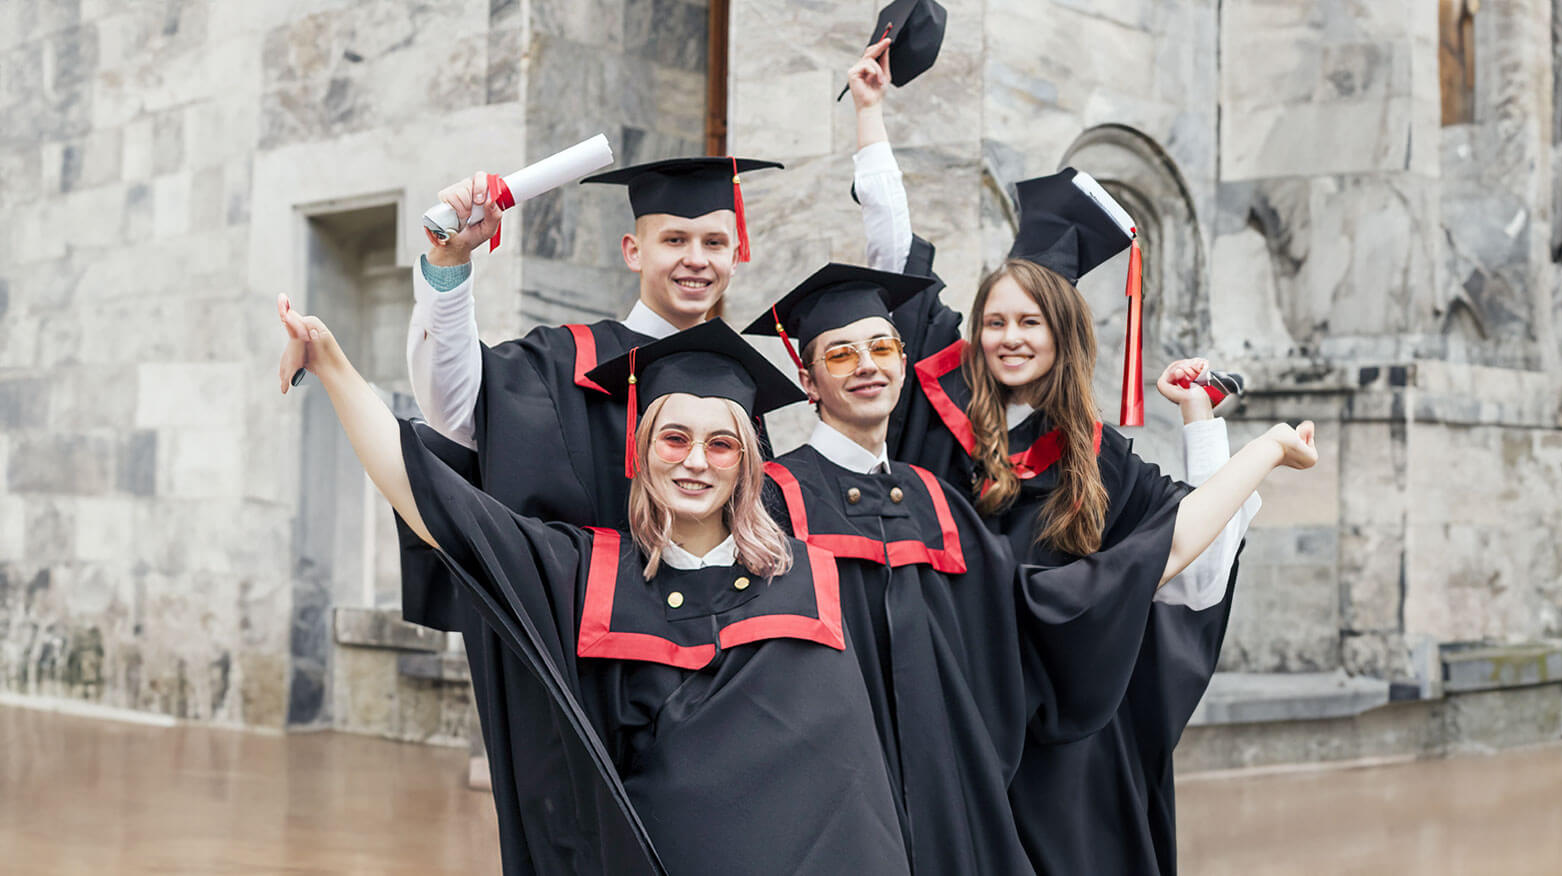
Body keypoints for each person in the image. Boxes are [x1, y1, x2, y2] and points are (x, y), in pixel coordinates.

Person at [847, 41, 1299, 875]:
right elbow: (894, 255)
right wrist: (871, 114)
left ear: (1063, 337)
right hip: (949, 704)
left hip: (1062, 740)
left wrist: (1201, 421)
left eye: (1030, 324)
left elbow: (1193, 562)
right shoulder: (931, 402)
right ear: (974, 329)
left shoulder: (1103, 460)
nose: (1009, 339)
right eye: (996, 321)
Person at [278, 310, 911, 876]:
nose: (695, 461)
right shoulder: (588, 573)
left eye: (720, 444)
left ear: (747, 462)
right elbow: (434, 501)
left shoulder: (804, 581)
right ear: (643, 451)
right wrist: (332, 365)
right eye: (675, 438)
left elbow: (851, 792)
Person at [742, 262, 1315, 875]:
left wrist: (1233, 437)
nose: (867, 365)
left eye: (882, 347)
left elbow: (1160, 564)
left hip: (1026, 742)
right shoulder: (803, 490)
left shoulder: (940, 502)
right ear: (808, 378)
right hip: (877, 774)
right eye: (994, 322)